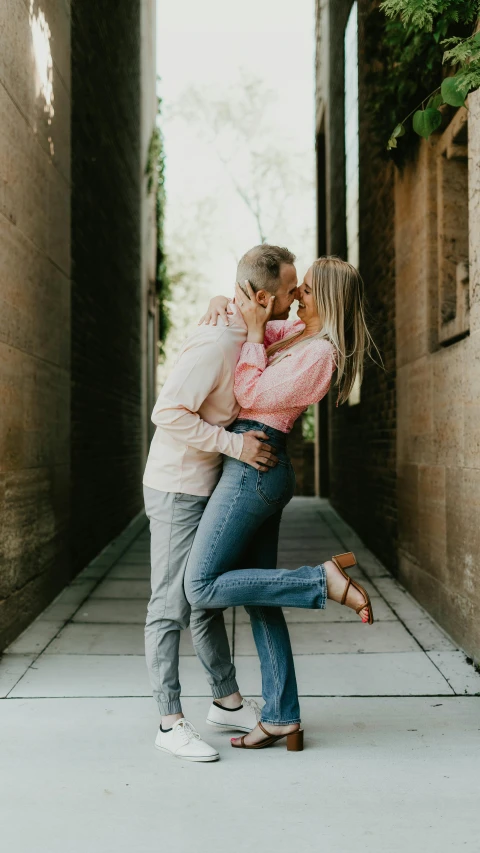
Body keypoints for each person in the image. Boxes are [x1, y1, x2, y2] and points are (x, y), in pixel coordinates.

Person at [184, 255, 380, 751]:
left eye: (308, 290)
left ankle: (321, 580)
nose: (297, 297)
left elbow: (250, 390)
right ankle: (281, 716)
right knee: (260, 600)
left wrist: (251, 336)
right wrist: (221, 301)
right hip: (252, 461)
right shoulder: (295, 334)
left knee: (201, 586)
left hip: (258, 465)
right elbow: (250, 319)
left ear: (329, 300)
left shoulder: (322, 355)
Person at [142, 244, 302, 762]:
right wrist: (235, 445)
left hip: (209, 481)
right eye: (288, 292)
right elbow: (166, 412)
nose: (295, 299)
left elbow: (300, 334)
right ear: (259, 296)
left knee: (202, 598)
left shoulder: (245, 329)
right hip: (176, 485)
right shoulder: (214, 343)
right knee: (170, 605)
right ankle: (169, 721)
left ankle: (227, 700)